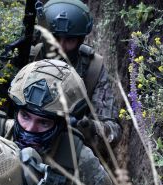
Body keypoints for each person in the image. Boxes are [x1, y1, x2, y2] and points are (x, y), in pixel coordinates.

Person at [32, 0, 122, 152]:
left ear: (80, 40)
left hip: (69, 149)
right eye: (54, 38)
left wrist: (86, 126)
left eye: (70, 40)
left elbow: (113, 132)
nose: (60, 47)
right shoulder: (30, 58)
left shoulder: (93, 68)